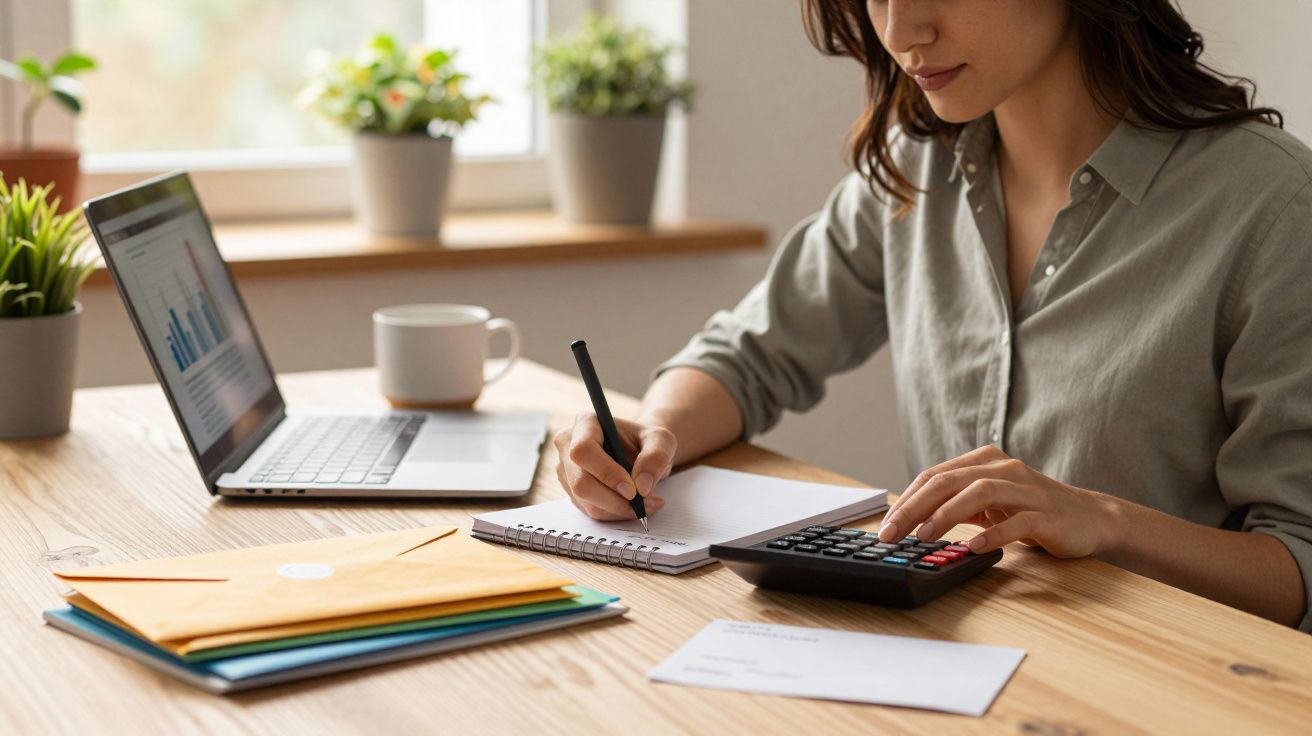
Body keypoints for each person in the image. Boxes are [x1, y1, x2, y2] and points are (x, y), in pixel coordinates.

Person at [552, 0, 1312, 631]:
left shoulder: (1272, 208)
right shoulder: (915, 165)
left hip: (1168, 683)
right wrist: (655, 433)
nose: (899, 29)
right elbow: (749, 355)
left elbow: (1299, 564)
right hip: (956, 655)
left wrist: (1102, 520)